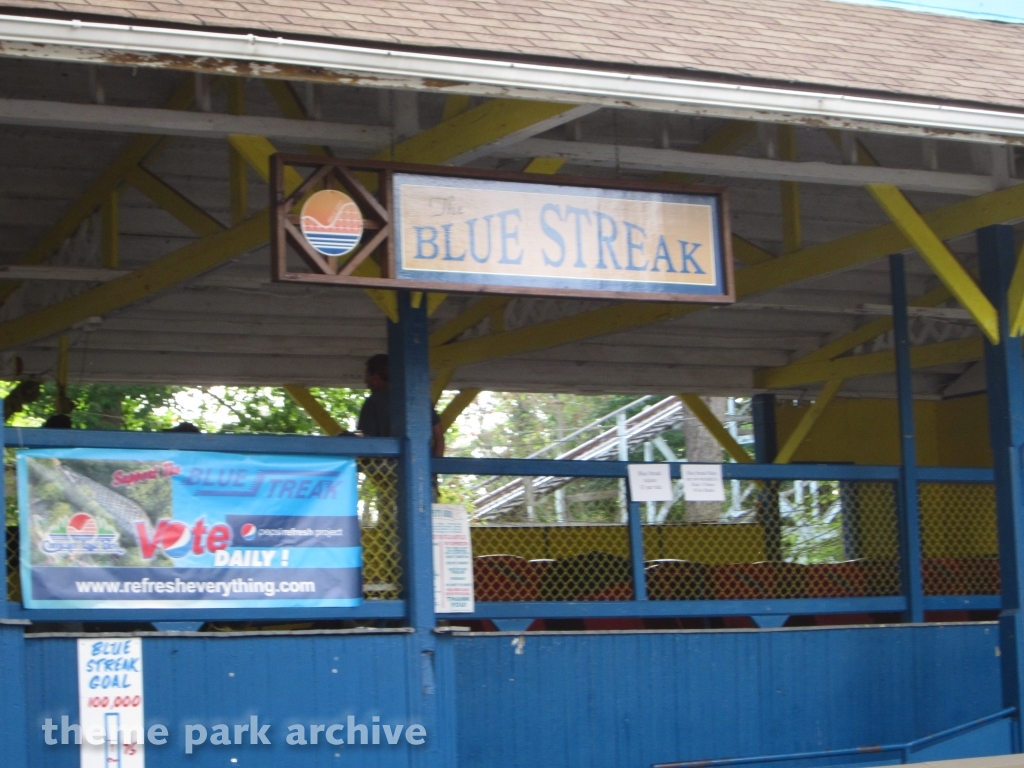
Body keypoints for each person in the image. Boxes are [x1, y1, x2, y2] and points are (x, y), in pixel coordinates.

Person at [358, 354, 444, 457]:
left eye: (367, 376)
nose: (366, 381)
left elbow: (366, 442)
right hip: (420, 463)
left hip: (386, 465)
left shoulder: (373, 402)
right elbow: (439, 438)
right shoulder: (419, 399)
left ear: (376, 376)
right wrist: (434, 465)